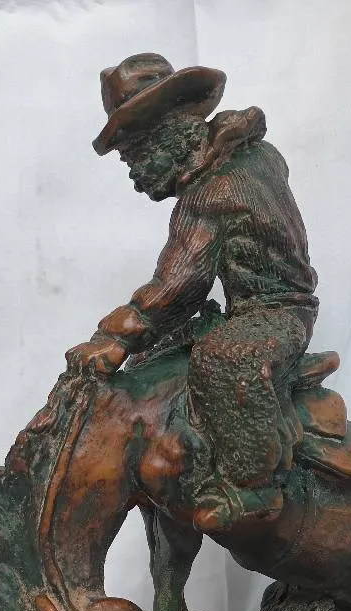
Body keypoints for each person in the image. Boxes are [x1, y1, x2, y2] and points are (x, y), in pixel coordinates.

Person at [66, 53, 318, 532]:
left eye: (134, 158)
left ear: (166, 136)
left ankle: (255, 485)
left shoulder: (211, 194)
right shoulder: (254, 153)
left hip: (274, 314)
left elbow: (178, 286)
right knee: (163, 359)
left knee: (221, 359)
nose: (134, 175)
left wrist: (113, 339)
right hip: (254, 308)